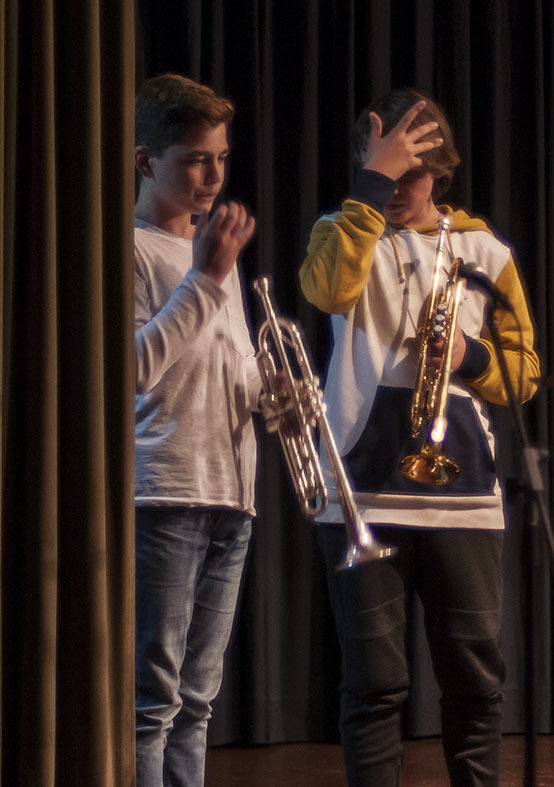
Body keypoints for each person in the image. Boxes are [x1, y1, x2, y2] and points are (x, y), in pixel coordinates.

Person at [299, 88, 539, 785]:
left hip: (462, 492)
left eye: (414, 174)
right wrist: (368, 195)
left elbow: (524, 373)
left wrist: (469, 356)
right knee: (373, 684)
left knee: (475, 679)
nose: (401, 187)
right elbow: (325, 292)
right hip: (360, 487)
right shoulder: (341, 230)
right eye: (386, 171)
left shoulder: (486, 251)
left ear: (442, 170)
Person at [132, 73, 259, 786]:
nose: (213, 177)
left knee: (198, 701)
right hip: (165, 490)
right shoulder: (132, 249)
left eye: (221, 159)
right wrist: (207, 277)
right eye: (195, 160)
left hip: (230, 492)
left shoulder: (214, 256)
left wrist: (271, 391)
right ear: (146, 161)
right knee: (153, 701)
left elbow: (224, 366)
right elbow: (134, 369)